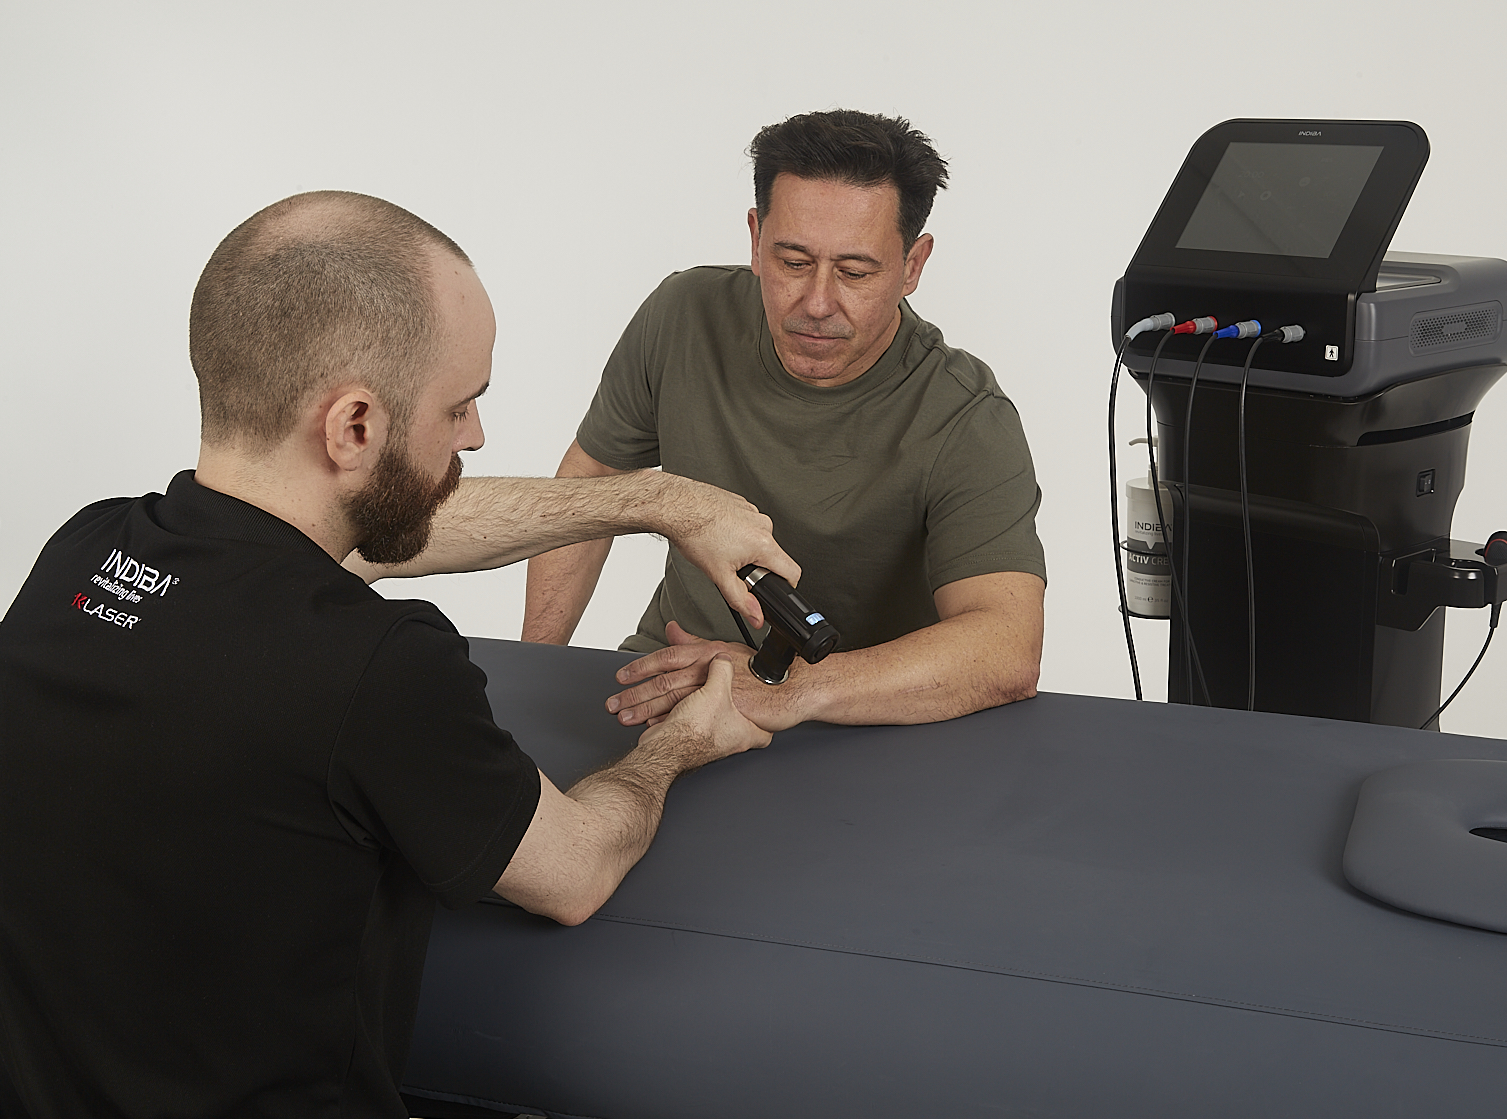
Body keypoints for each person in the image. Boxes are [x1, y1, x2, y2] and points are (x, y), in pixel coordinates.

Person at [0, 191, 797, 1117]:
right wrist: (678, 745)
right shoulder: (378, 667)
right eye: (460, 406)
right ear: (353, 427)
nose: (477, 436)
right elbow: (573, 873)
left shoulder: (84, 550)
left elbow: (377, 535)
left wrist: (658, 500)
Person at [521, 109, 1047, 732]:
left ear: (913, 264)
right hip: (665, 676)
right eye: (792, 261)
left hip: (863, 721)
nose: (817, 303)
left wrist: (785, 689)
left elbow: (1007, 647)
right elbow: (591, 480)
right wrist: (530, 669)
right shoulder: (683, 316)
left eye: (855, 273)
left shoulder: (966, 416)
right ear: (754, 237)